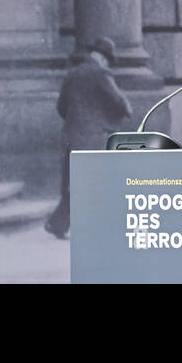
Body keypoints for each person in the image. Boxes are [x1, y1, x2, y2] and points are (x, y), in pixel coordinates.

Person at [45, 37, 132, 238]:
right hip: (94, 137)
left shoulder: (72, 74)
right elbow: (119, 101)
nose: (107, 63)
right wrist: (125, 109)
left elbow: (61, 107)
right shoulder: (101, 73)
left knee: (73, 183)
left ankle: (57, 223)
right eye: (108, 59)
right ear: (102, 57)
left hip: (71, 136)